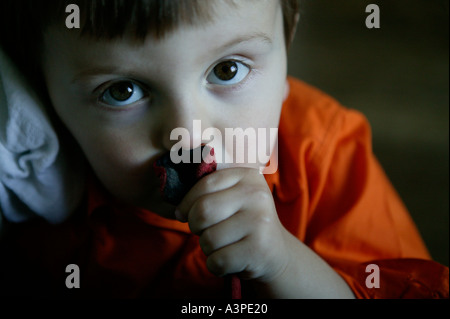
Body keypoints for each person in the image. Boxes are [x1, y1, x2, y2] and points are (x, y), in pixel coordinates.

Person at [0, 0, 447, 298]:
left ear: (288, 42)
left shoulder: (323, 151)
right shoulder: (31, 184)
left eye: (228, 69)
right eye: (121, 91)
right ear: (42, 93)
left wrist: (282, 262)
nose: (189, 137)